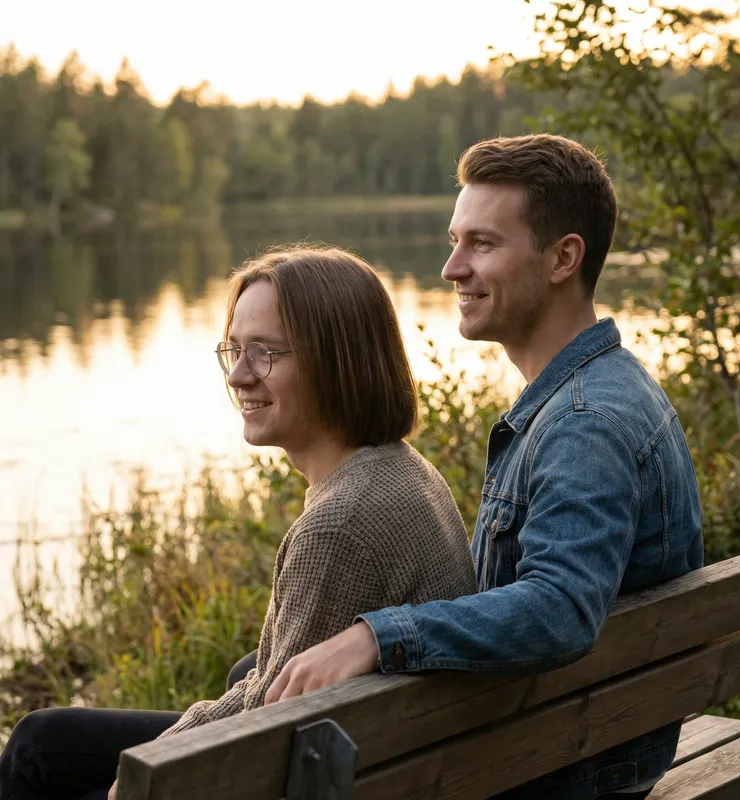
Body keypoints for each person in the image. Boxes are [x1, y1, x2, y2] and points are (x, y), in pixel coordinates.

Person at [262, 135, 704, 800]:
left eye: (482, 244)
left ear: (563, 258)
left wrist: (378, 637)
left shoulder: (586, 423)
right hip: (568, 739)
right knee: (267, 672)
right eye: (454, 239)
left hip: (552, 773)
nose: (451, 268)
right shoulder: (599, 390)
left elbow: (560, 608)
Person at [0, 247, 478, 800]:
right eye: (234, 350)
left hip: (316, 777)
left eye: (265, 354)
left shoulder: (340, 524)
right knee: (50, 738)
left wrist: (137, 774)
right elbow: (271, 683)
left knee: (38, 746)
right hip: (385, 761)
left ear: (336, 360)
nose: (238, 376)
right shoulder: (399, 469)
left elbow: (258, 728)